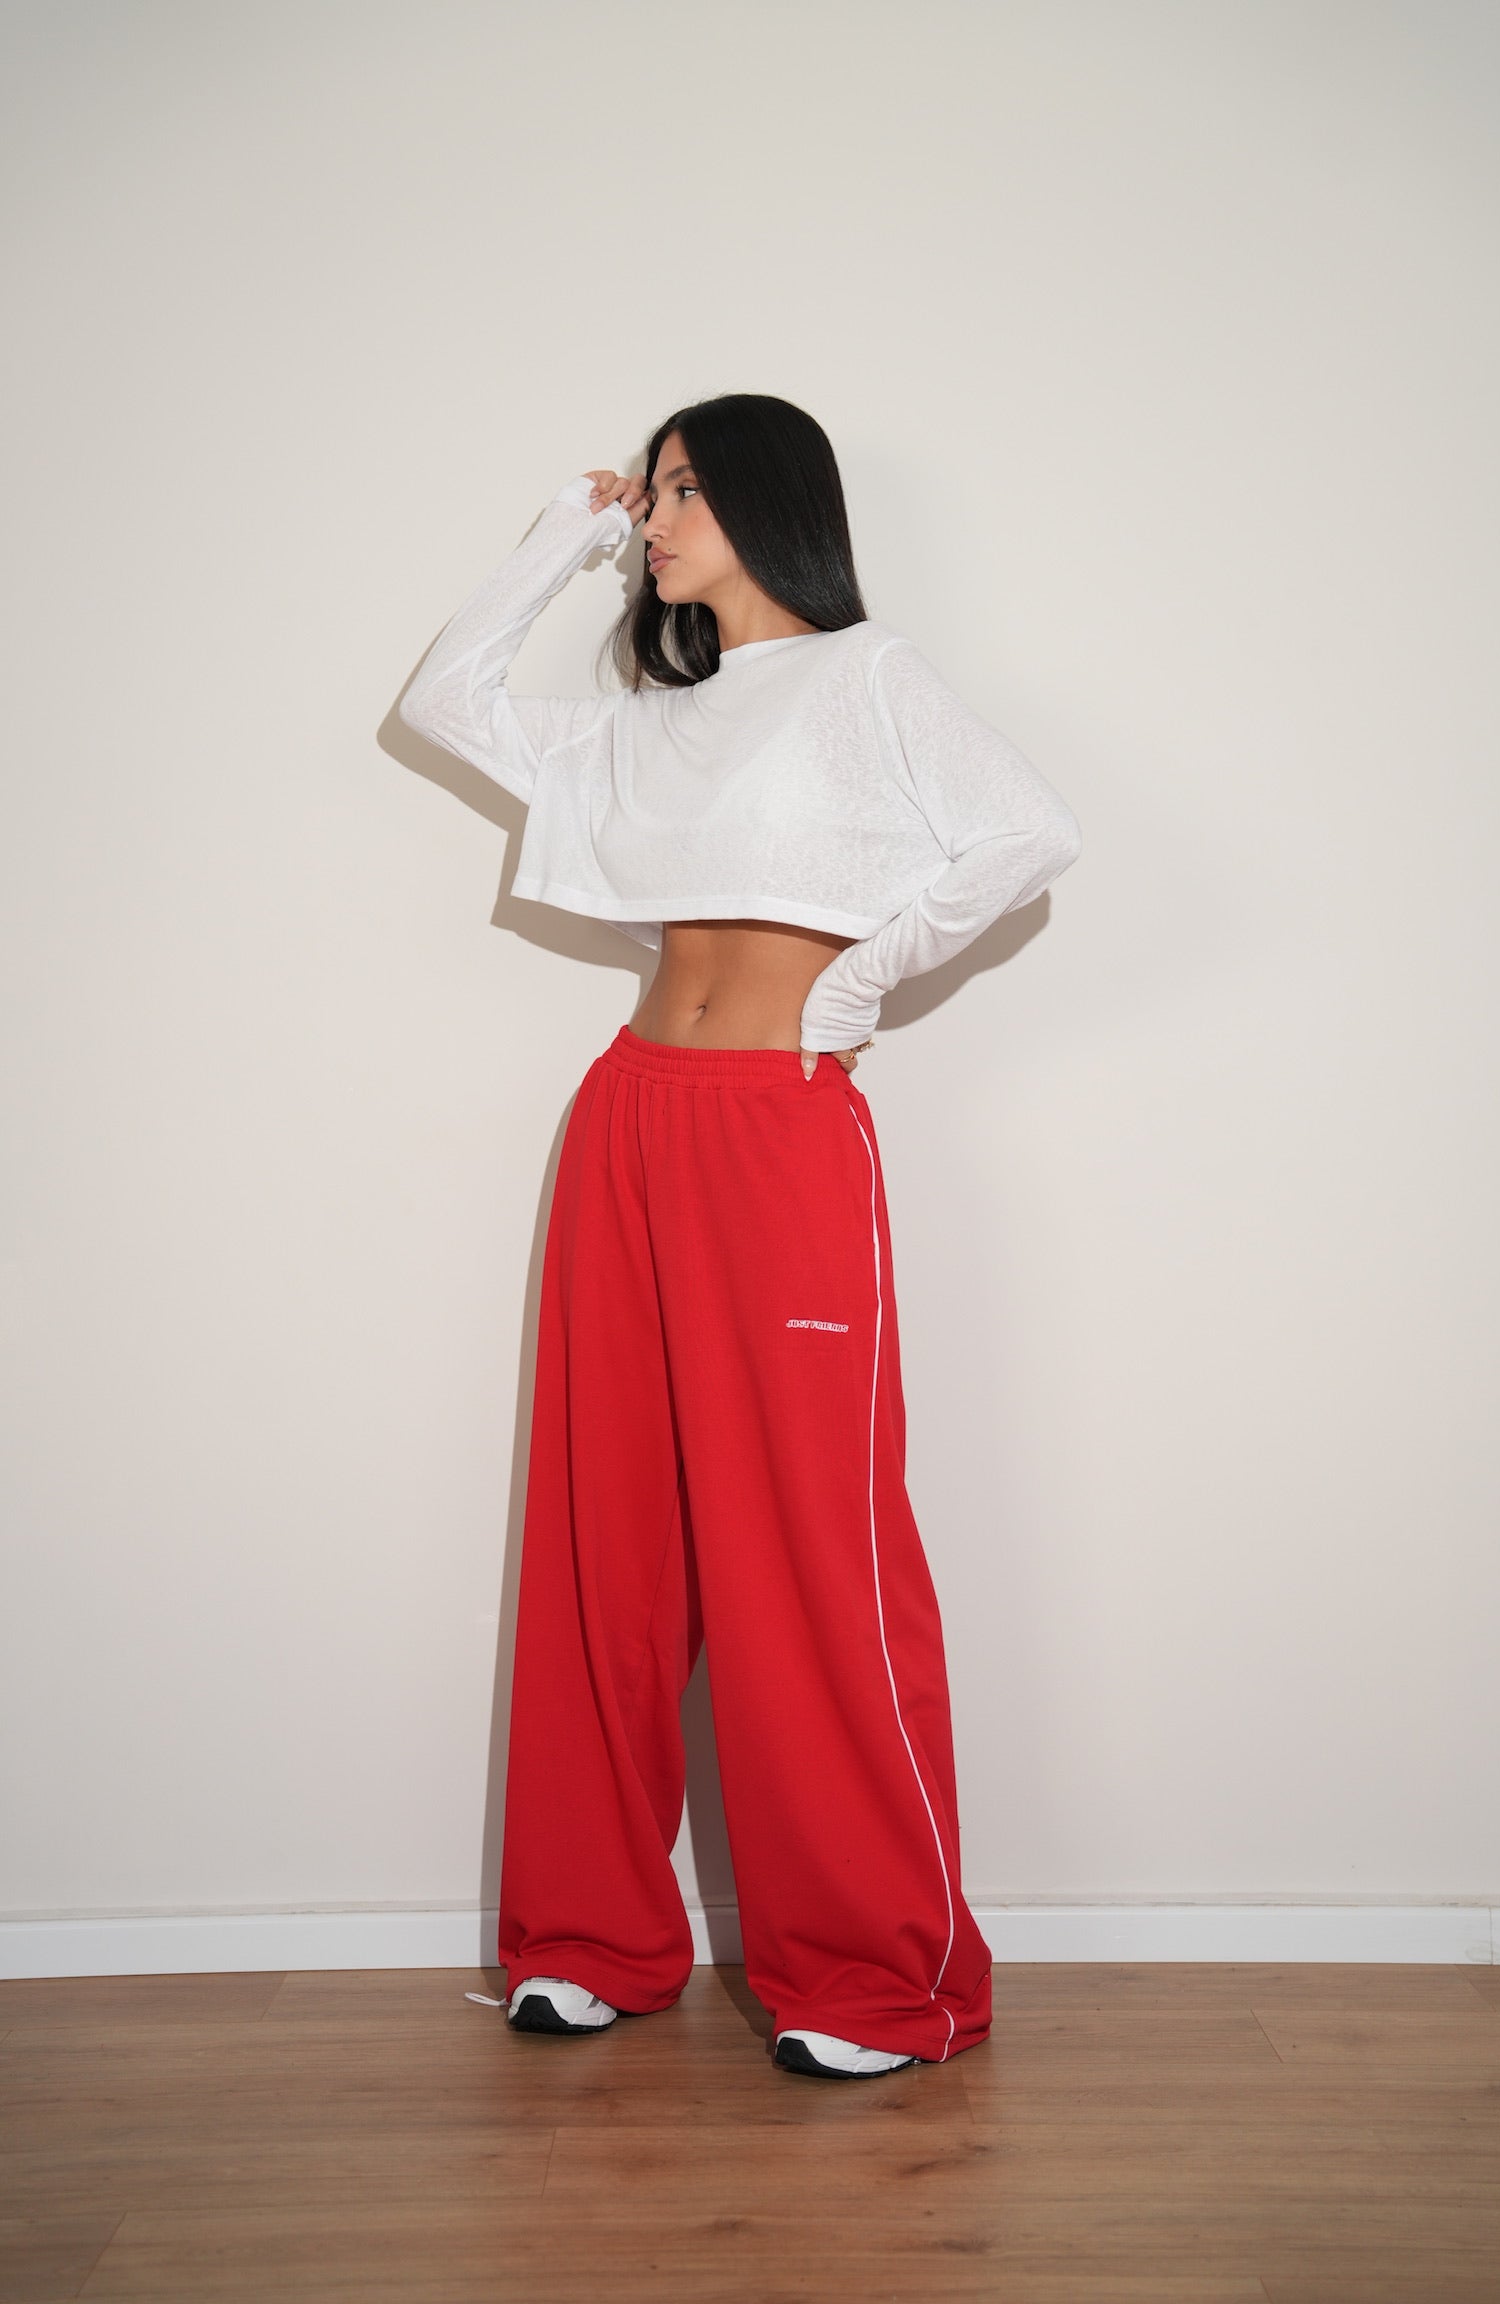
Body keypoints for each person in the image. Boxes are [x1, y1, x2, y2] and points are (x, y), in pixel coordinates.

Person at [398, 393, 1082, 2080]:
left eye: (684, 492)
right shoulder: (648, 723)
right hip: (629, 1117)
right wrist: (565, 533)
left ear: (774, 505)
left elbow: (1029, 835)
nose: (657, 521)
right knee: (604, 1530)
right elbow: (443, 700)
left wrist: (855, 988)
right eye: (651, 494)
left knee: (804, 1546)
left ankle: (872, 1973)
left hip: (779, 1136)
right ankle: (588, 1939)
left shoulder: (870, 680)